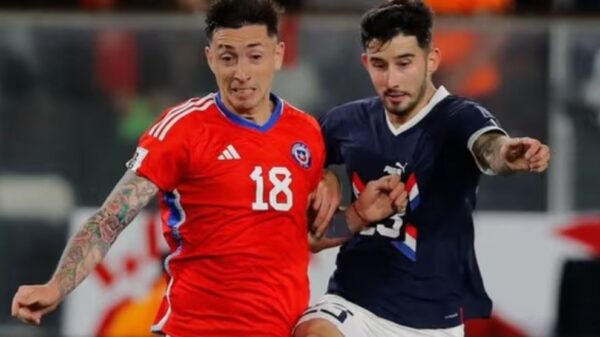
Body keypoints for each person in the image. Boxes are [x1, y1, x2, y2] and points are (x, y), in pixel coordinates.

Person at [10, 1, 407, 336]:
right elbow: (112, 217)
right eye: (227, 57)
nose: (241, 72)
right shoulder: (184, 128)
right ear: (209, 57)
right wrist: (57, 285)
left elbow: (299, 236)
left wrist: (358, 215)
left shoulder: (304, 133)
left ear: (278, 55)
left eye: (254, 55)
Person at [295, 1, 551, 337]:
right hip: (353, 305)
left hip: (433, 322)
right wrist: (322, 173)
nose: (391, 80)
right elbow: (309, 230)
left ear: (431, 60)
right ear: (365, 63)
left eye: (404, 63)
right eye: (379, 65)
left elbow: (489, 147)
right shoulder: (344, 122)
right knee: (315, 332)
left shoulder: (459, 117)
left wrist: (507, 154)